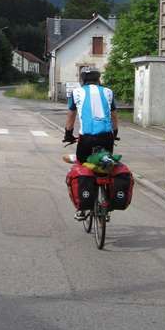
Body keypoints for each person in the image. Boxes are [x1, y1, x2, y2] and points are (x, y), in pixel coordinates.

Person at [63, 67, 119, 219]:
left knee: (82, 165)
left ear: (82, 81)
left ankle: (82, 207)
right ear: (99, 79)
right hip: (107, 137)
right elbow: (114, 115)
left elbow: (71, 116)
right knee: (105, 165)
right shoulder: (108, 92)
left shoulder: (76, 92)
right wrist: (115, 133)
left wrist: (68, 134)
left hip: (86, 138)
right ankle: (106, 202)